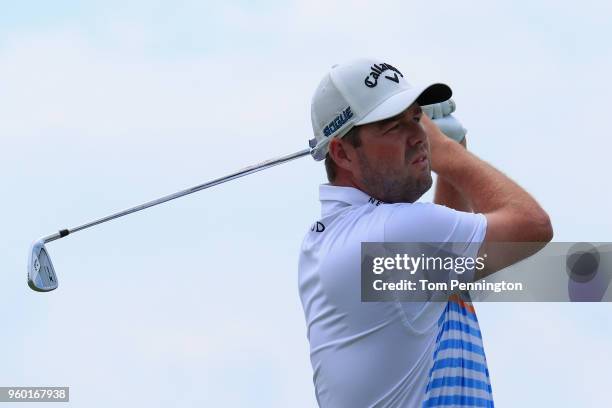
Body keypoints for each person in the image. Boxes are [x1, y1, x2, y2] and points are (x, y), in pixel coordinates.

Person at [298, 58, 553, 407]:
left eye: (416, 119)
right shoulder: (389, 235)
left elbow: (447, 275)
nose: (419, 137)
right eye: (392, 127)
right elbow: (532, 226)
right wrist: (448, 153)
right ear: (341, 153)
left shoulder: (332, 240)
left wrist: (452, 160)